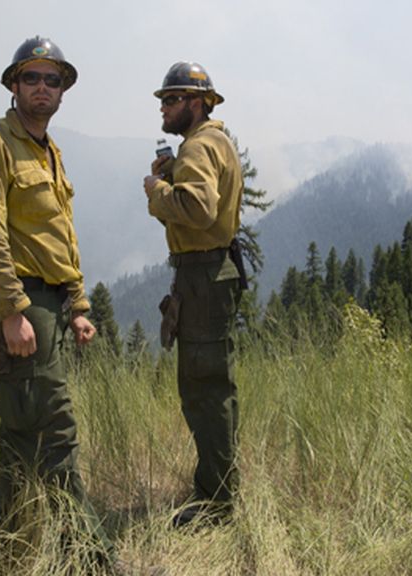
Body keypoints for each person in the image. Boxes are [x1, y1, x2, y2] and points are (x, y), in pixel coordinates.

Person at [0, 36, 113, 568]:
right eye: (32, 78)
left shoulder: (50, 151)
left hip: (50, 308)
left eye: (53, 80)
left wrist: (79, 304)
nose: (42, 88)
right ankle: (89, 559)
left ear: (63, 91)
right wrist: (11, 311)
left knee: (23, 437)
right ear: (13, 85)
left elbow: (59, 235)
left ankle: (13, 554)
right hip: (22, 309)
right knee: (56, 432)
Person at [143, 62, 245, 528]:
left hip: (202, 276)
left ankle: (215, 503)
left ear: (198, 103)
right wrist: (171, 184)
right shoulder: (213, 143)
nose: (163, 108)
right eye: (164, 100)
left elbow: (199, 211)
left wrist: (158, 189)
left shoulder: (200, 146)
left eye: (172, 99)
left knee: (203, 389)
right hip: (211, 273)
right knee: (214, 387)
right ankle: (221, 488)